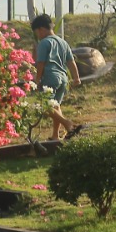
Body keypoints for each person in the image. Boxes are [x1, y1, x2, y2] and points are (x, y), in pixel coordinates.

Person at [31, 13, 83, 142]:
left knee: (45, 106)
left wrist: (37, 80)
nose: (38, 35)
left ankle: (67, 123)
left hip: (50, 77)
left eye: (37, 33)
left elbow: (41, 63)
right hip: (63, 78)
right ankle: (55, 135)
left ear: (41, 29)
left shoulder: (44, 43)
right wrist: (76, 78)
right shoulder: (63, 42)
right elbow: (71, 62)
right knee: (56, 106)